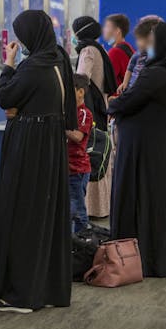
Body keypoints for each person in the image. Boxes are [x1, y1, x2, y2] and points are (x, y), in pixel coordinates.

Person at [0, 10, 77, 313]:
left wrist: (8, 65)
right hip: (51, 140)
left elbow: (5, 98)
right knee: (45, 214)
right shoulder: (58, 59)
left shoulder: (32, 67)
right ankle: (47, 288)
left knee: (22, 213)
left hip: (30, 142)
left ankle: (20, 293)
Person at [108, 22, 166, 278]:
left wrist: (112, 104)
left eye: (154, 41)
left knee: (140, 197)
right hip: (161, 143)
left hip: (143, 145)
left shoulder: (156, 74)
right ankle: (157, 258)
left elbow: (128, 101)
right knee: (159, 200)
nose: (149, 46)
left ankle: (134, 258)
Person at [73, 16, 117, 219]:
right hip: (102, 108)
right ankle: (102, 206)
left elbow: (82, 79)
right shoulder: (99, 49)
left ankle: (93, 208)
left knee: (93, 155)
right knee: (101, 155)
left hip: (92, 111)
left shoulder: (88, 50)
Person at [68, 74, 93, 233]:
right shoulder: (69, 112)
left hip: (78, 170)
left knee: (77, 210)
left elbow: (77, 136)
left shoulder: (84, 114)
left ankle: (83, 240)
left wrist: (62, 126)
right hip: (68, 169)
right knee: (70, 208)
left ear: (81, 92)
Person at [118, 15, 163, 94]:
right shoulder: (138, 54)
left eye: (139, 39)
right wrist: (125, 83)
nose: (137, 43)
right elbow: (130, 67)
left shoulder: (158, 53)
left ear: (150, 38)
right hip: (132, 89)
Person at [103, 13, 135, 87]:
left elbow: (107, 80)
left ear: (117, 31)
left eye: (107, 26)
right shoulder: (129, 47)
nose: (104, 29)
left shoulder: (115, 52)